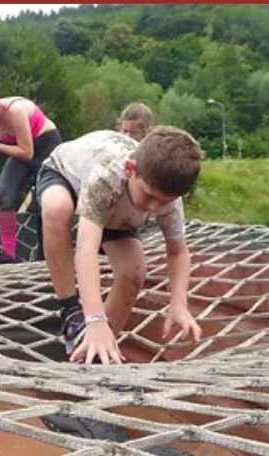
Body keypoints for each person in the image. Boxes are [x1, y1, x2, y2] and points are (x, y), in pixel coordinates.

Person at [36, 127, 204, 364]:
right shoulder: (106, 175)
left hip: (118, 210)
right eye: (149, 196)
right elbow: (86, 250)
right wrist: (93, 317)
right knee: (56, 208)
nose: (154, 209)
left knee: (134, 271)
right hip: (67, 178)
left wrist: (179, 302)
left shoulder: (168, 199)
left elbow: (177, 251)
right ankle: (71, 311)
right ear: (130, 170)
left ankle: (98, 351)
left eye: (164, 201)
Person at [0, 85, 62, 263]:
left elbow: (27, 152)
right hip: (20, 150)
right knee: (4, 195)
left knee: (45, 199)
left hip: (44, 145)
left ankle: (47, 254)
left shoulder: (14, 111)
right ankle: (9, 253)